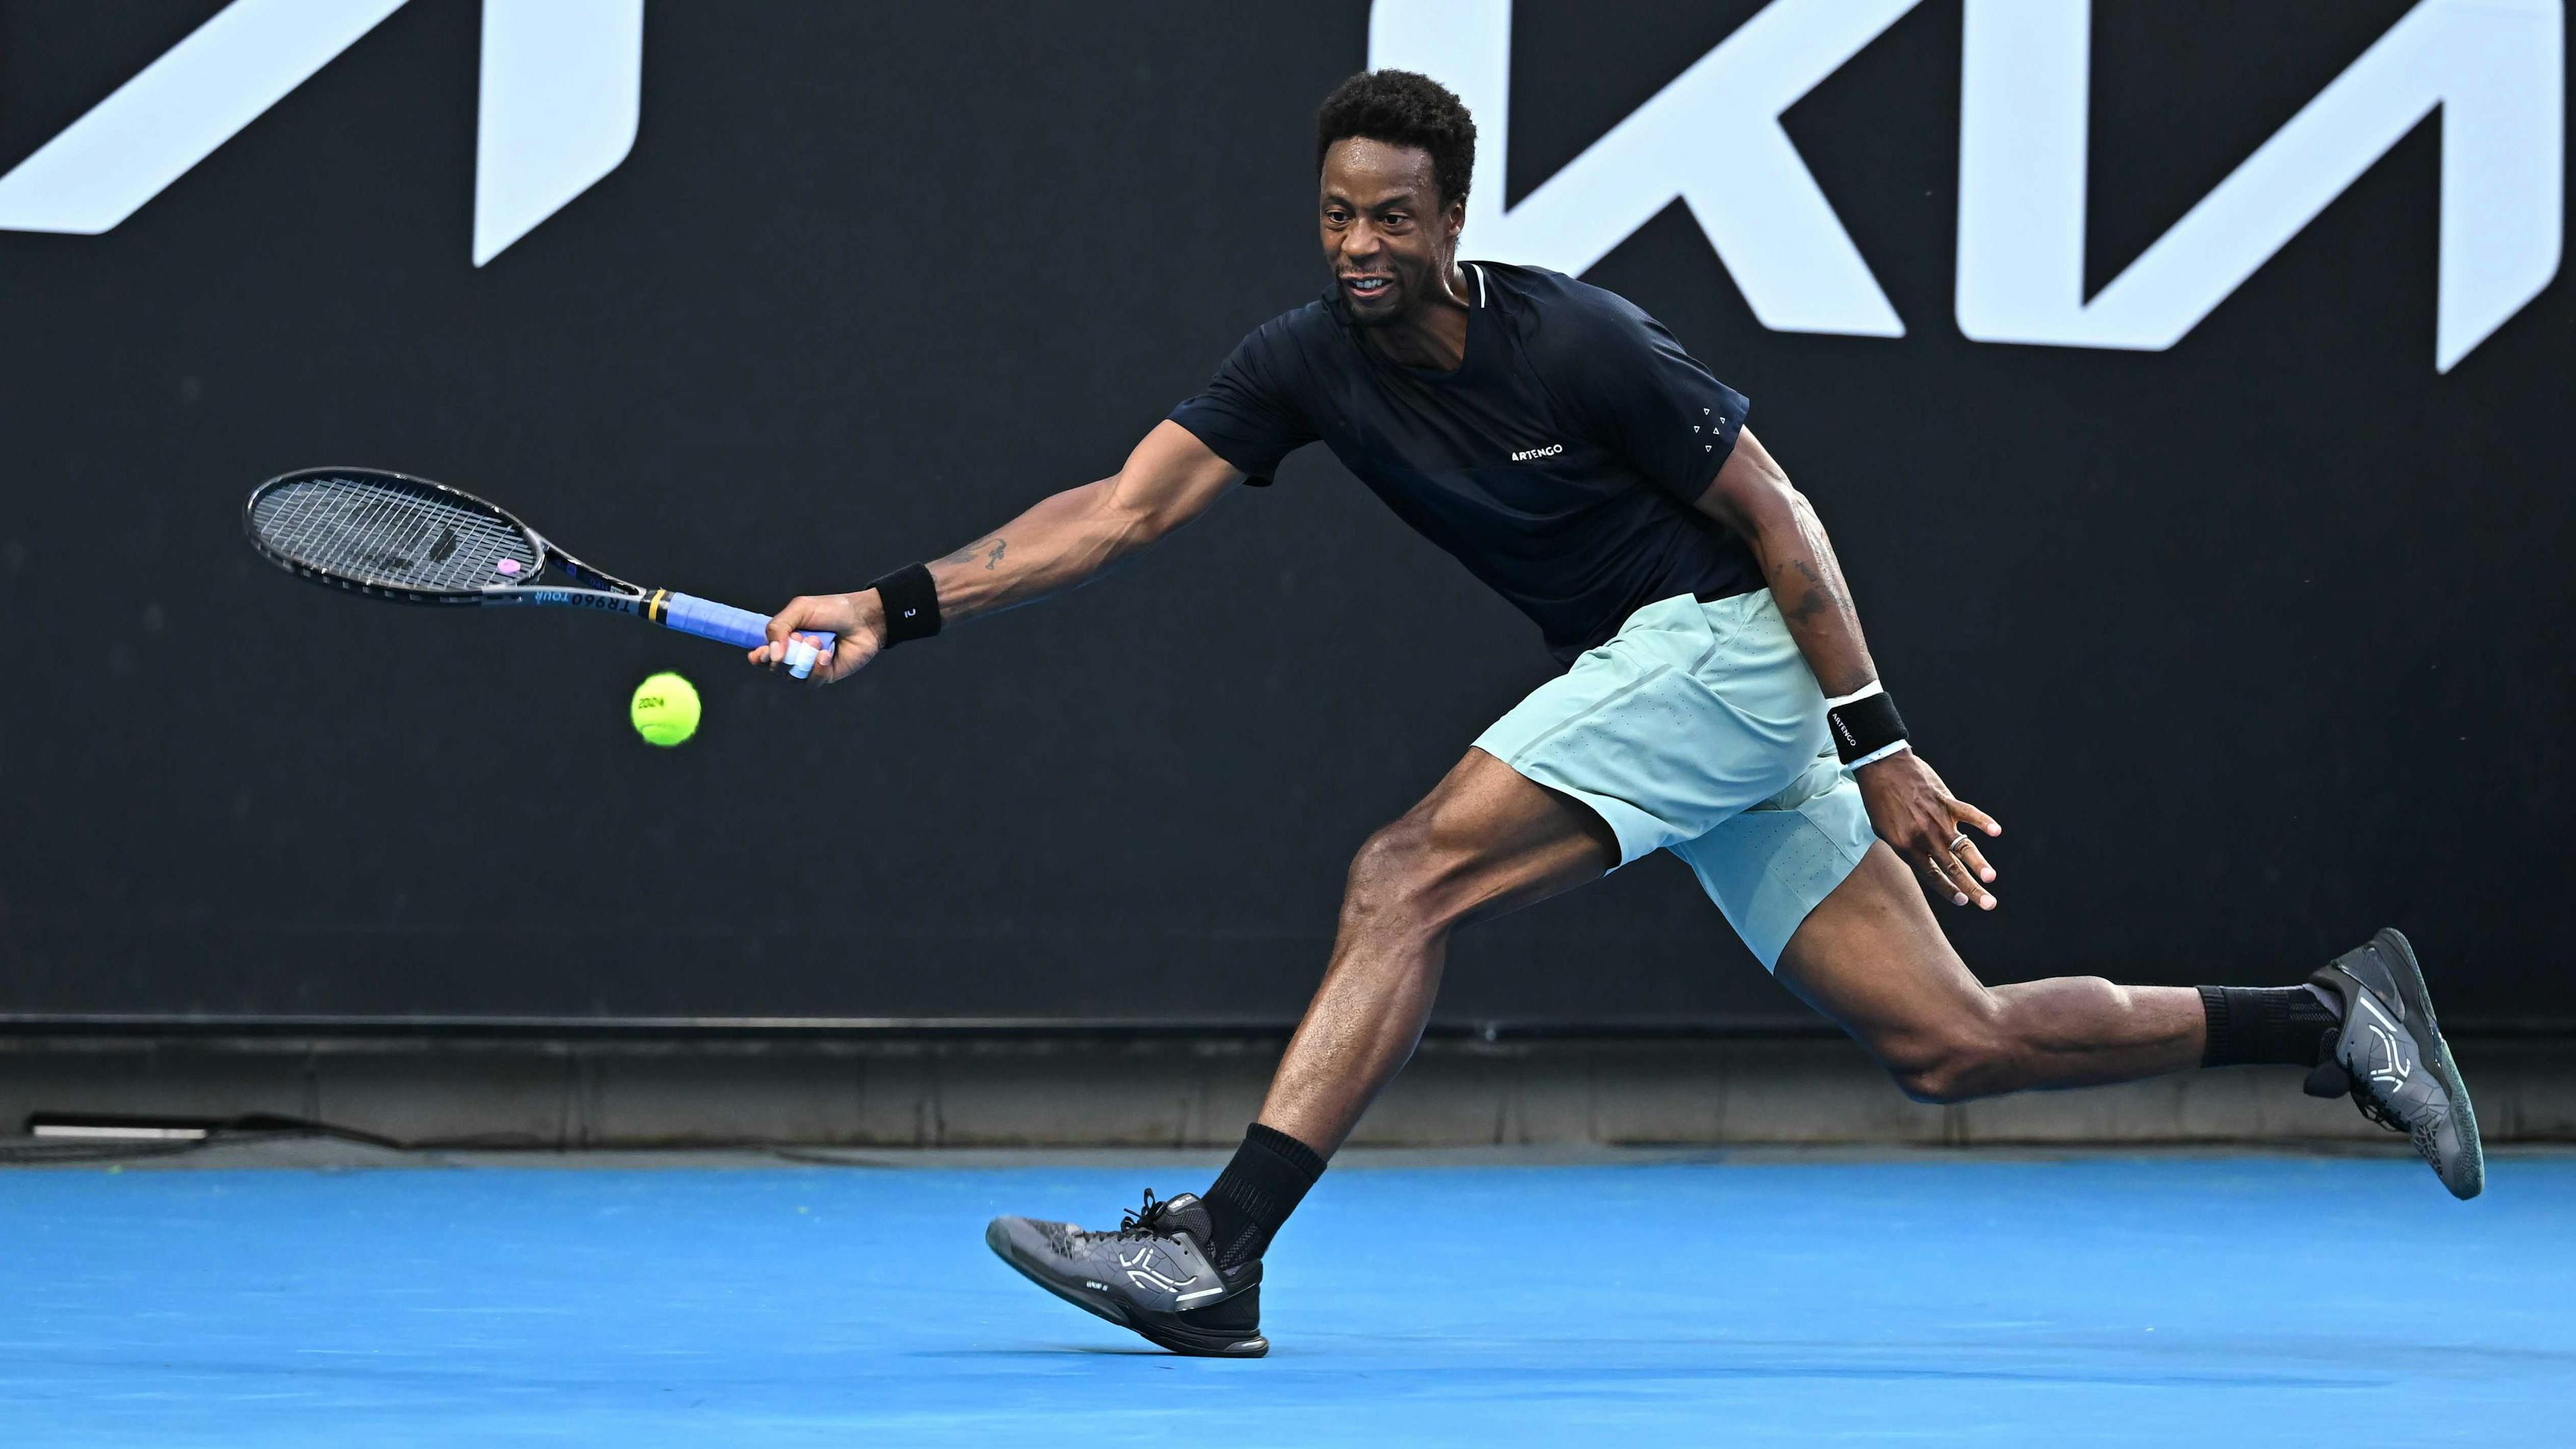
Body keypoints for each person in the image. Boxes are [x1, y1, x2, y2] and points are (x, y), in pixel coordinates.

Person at [752, 70, 2482, 1358]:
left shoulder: (1580, 343)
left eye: (1394, 218)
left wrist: (1878, 749)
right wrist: (894, 607)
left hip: (1728, 654)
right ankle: (2327, 1016)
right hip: (1697, 699)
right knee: (1951, 1043)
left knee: (1404, 876)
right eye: (1339, 214)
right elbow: (1121, 509)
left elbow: (1786, 525)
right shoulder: (1301, 361)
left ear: (1454, 217)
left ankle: (1220, 1250)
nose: (1361, 245)